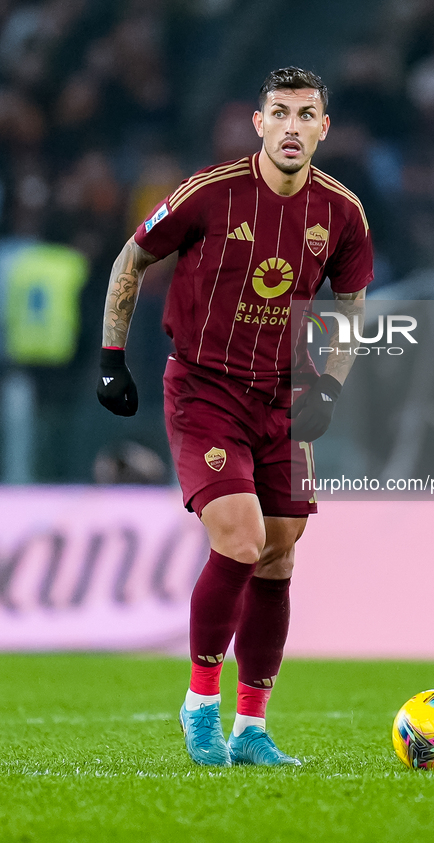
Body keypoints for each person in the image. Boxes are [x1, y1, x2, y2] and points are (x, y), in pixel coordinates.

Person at [96, 67, 373, 767]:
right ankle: (200, 708)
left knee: (279, 551)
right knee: (242, 539)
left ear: (321, 128)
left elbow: (351, 308)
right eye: (277, 113)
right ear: (258, 124)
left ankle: (252, 728)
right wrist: (110, 356)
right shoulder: (210, 193)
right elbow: (133, 258)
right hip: (205, 389)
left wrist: (331, 388)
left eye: (304, 114)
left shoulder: (341, 212)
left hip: (284, 393)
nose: (290, 126)